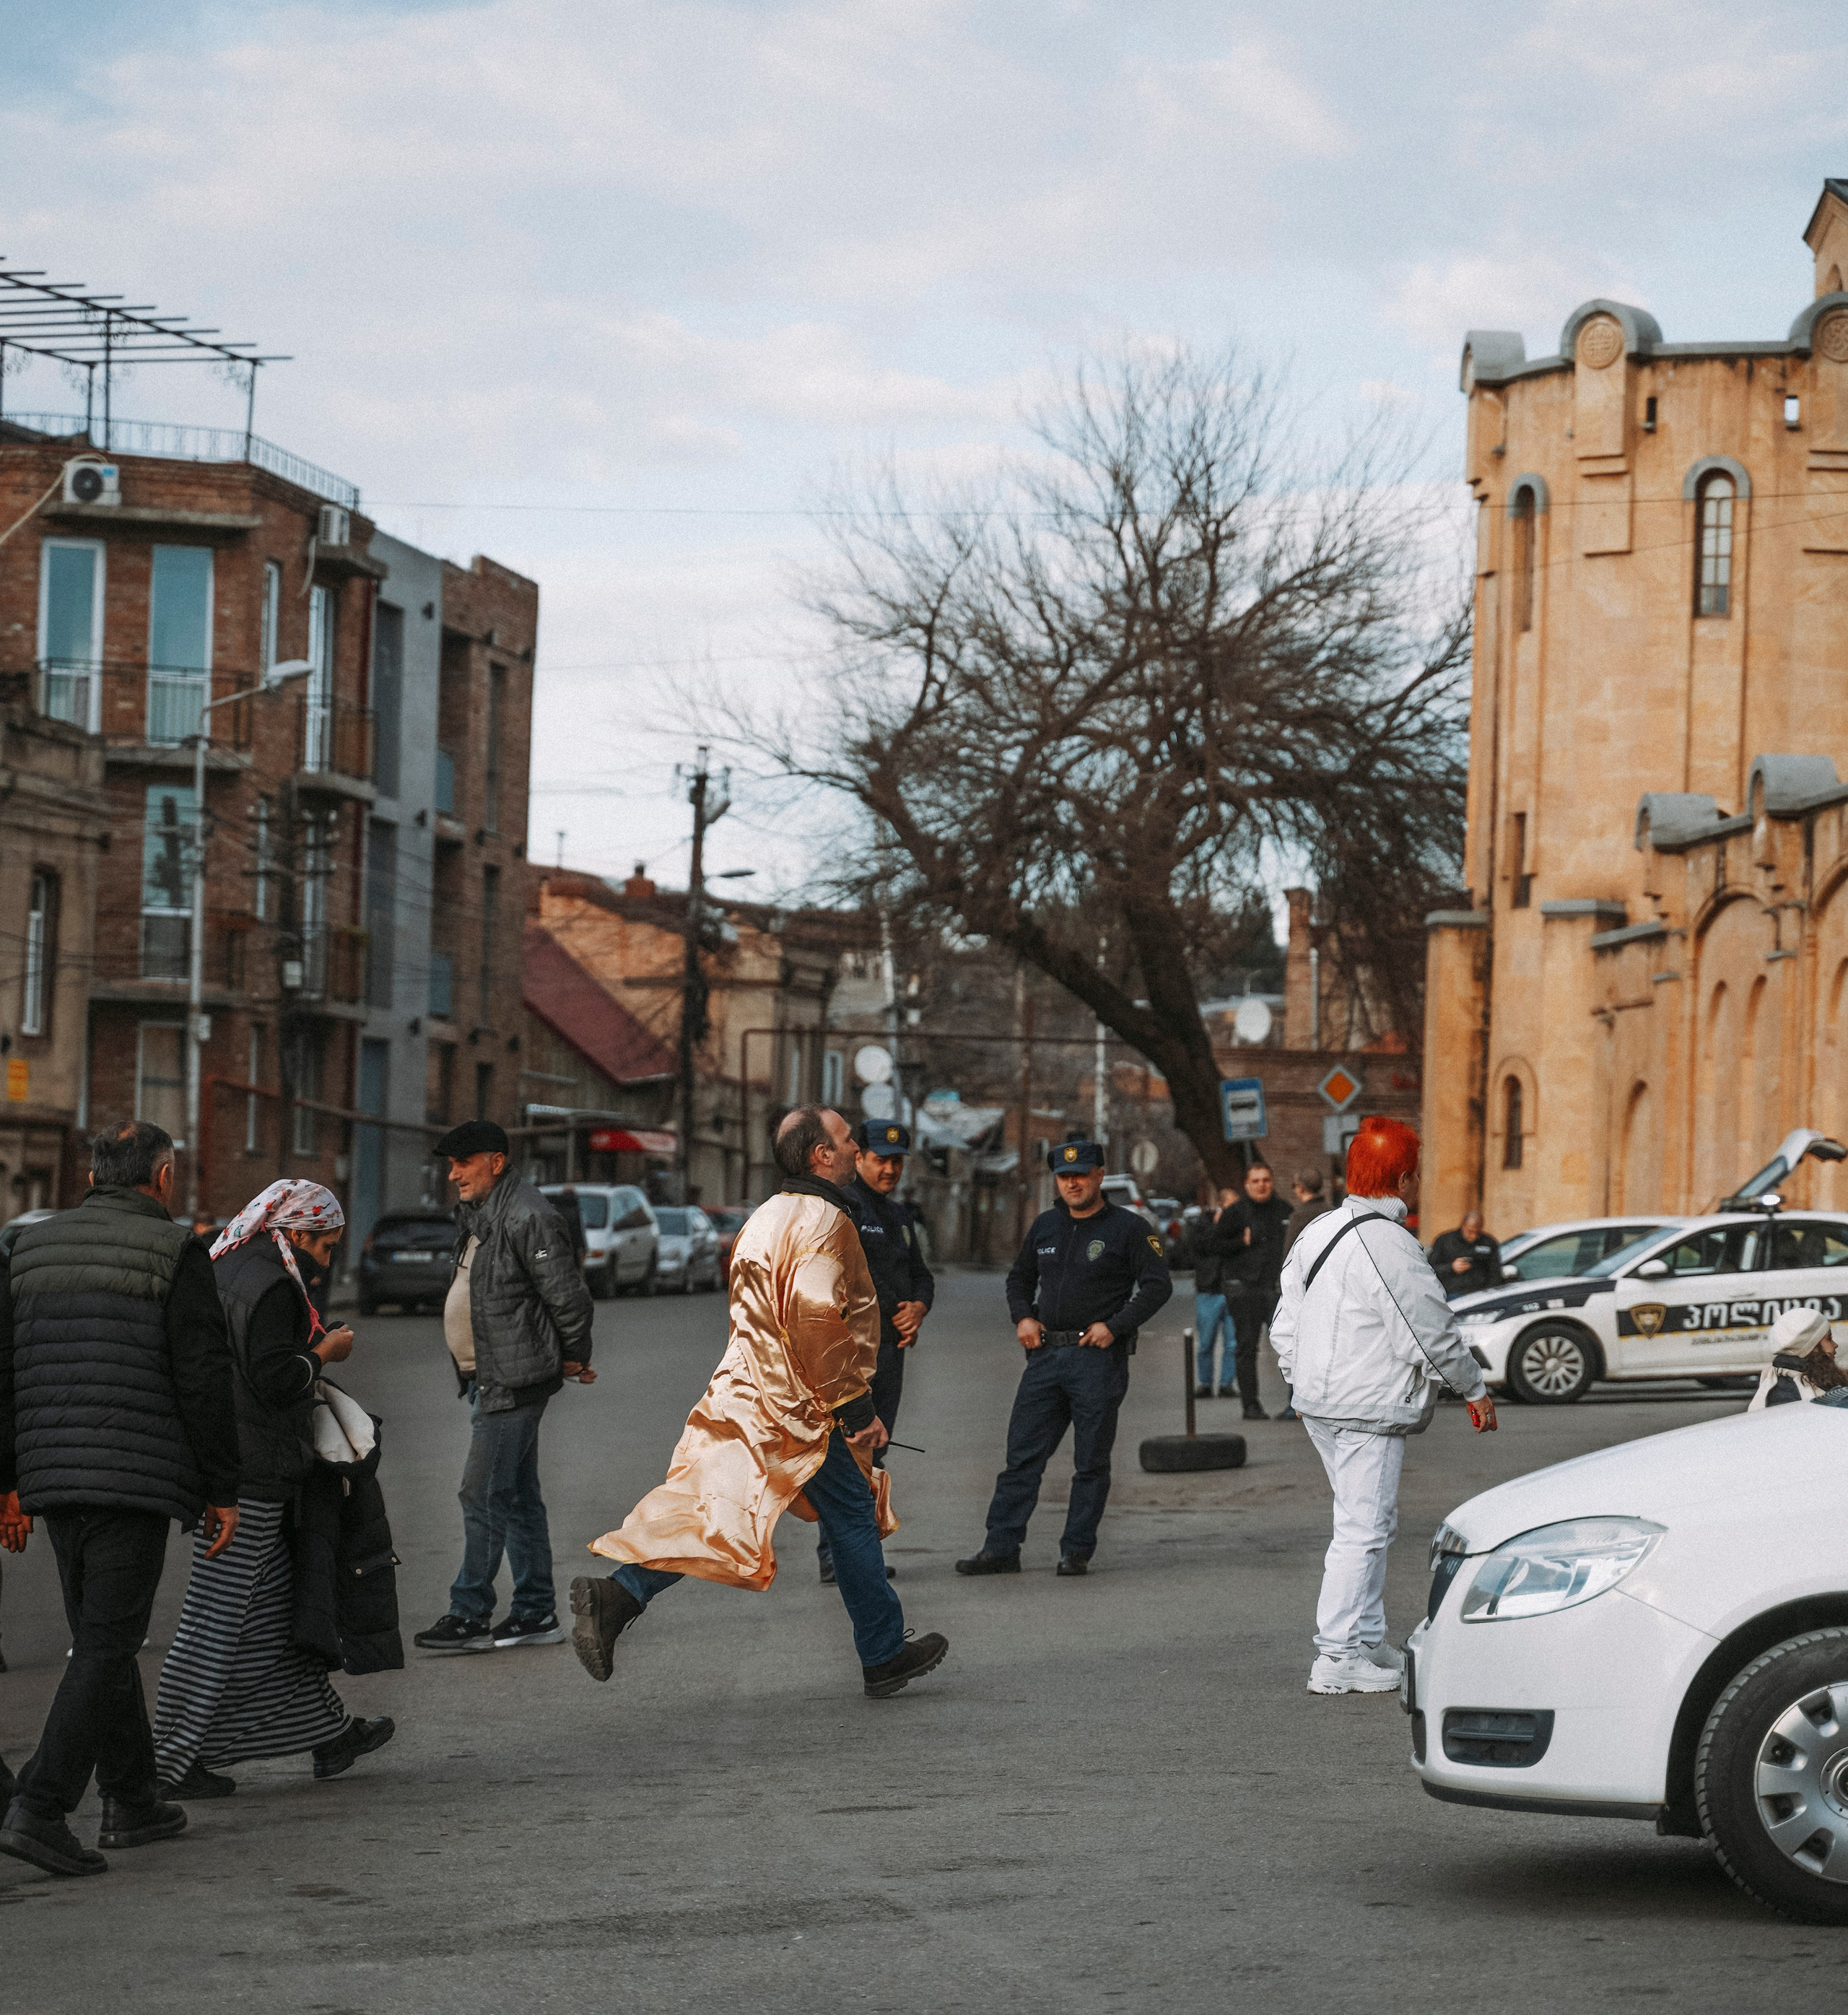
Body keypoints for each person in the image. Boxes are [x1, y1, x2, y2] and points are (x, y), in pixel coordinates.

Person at [570, 1106, 949, 1700]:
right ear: (821, 1154)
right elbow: (816, 1317)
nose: (854, 1149)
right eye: (847, 1140)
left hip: (745, 1393)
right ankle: (882, 1653)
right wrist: (855, 1408)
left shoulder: (765, 1217)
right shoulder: (826, 1222)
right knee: (851, 1517)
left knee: (715, 1505)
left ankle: (619, 1594)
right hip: (801, 1408)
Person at [0, 1120, 241, 1879]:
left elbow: (7, 1370)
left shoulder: (29, 1248)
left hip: (51, 1475)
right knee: (106, 1644)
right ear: (162, 1178)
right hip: (132, 1478)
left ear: (97, 1172)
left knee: (102, 1639)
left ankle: (133, 1798)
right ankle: (40, 1809)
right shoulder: (177, 1251)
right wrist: (221, 1487)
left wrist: (11, 1478)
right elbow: (202, 1377)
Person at [152, 1180, 396, 1800]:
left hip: (235, 1463)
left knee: (277, 1610)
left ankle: (329, 1732)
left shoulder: (228, 1261)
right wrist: (324, 1353)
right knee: (216, 1619)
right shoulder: (272, 1286)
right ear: (297, 1232)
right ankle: (169, 1762)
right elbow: (276, 1378)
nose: (327, 1260)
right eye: (325, 1246)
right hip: (252, 1475)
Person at [1270, 1115, 1497, 1697]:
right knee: (1363, 1529)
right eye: (1416, 1173)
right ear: (1403, 1177)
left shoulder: (1318, 1231)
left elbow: (1285, 1326)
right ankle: (1338, 1655)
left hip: (1323, 1403)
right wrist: (1472, 1387)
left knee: (1366, 1522)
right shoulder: (1390, 1245)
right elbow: (1429, 1331)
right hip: (1366, 1406)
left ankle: (1366, 1639)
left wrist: (1301, 1386)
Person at [413, 1120, 596, 1655]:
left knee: (482, 1493)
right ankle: (535, 1612)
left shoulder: (528, 1215)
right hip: (491, 1375)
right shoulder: (482, 1213)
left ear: (495, 1161)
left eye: (462, 1164)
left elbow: (568, 1296)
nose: (453, 1175)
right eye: (449, 1165)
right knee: (516, 1498)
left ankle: (470, 1613)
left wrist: (577, 1354)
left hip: (512, 1380)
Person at [956, 1140, 1172, 1579]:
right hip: (1045, 1358)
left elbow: (1157, 1285)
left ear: (1099, 1175)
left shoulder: (1129, 1229)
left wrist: (1115, 1325)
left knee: (1089, 1462)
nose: (1072, 1182)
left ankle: (1075, 1551)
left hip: (1096, 1359)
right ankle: (1001, 1548)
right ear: (1057, 1180)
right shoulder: (1046, 1226)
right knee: (1021, 1458)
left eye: (1081, 1173)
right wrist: (1023, 1318)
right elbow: (1019, 1279)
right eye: (1064, 1176)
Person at [816, 1120, 936, 1585]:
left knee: (875, 1450)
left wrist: (919, 1307)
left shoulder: (901, 1219)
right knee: (847, 1451)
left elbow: (921, 1276)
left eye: (897, 1161)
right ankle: (838, 1556)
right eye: (881, 1159)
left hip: (890, 1353)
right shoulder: (841, 1209)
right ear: (860, 1158)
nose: (890, 1169)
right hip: (850, 1353)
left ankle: (857, 1551)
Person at [1219, 1162, 1294, 1421]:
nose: (1261, 1185)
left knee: (1291, 1347)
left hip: (1279, 1290)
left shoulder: (1285, 1210)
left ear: (1272, 1182)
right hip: (1246, 1291)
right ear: (1247, 1185)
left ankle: (1295, 1404)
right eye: (1256, 1181)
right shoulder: (1235, 1213)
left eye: (1266, 1180)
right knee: (1247, 1348)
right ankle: (1250, 1405)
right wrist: (1240, 1243)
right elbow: (1208, 1246)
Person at [1277, 1172, 1334, 1421]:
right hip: (1331, 1288)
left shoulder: (1300, 1216)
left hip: (1305, 1290)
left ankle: (1297, 1401)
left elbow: (1290, 1257)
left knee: (1298, 1346)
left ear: (1300, 1188)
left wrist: (1283, 1290)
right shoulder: (1333, 1211)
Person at [1190, 1185, 1239, 1400]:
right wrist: (1218, 1227)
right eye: (1230, 1205)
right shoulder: (1204, 1223)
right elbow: (1198, 1247)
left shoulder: (1240, 1225)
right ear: (1221, 1204)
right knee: (1206, 1342)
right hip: (1209, 1290)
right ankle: (1206, 1383)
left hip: (1233, 1289)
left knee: (1232, 1343)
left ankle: (1227, 1383)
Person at [1748, 1306, 1848, 1409]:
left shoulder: (1814, 1378)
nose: (1835, 1345)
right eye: (1829, 1339)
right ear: (1812, 1347)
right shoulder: (1786, 1393)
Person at [1429, 1211, 1501, 1300]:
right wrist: (1451, 1267)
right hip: (1451, 1293)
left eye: (1477, 1232)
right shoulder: (1445, 1241)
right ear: (1462, 1225)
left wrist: (1488, 1294)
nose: (1473, 1236)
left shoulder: (1489, 1243)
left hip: (1478, 1295)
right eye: (1470, 1231)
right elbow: (1430, 1269)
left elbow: (1495, 1272)